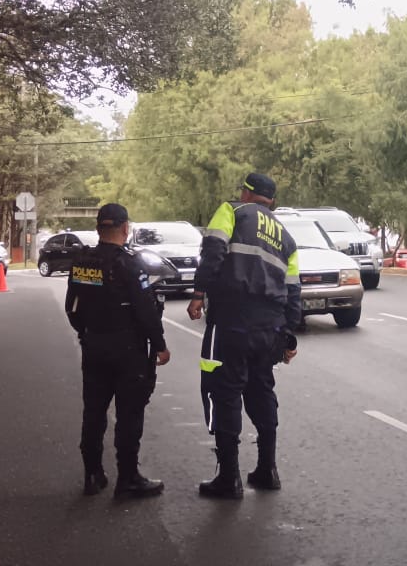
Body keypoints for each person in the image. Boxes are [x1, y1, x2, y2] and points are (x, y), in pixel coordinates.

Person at [188, 172, 301, 499]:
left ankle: (229, 478)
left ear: (246, 193)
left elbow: (213, 252)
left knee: (223, 391)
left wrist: (198, 293)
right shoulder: (286, 237)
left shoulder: (232, 211)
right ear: (272, 202)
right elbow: (294, 291)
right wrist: (288, 336)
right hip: (270, 328)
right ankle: (267, 469)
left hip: (231, 319)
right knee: (261, 390)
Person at [66, 203, 171, 498]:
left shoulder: (83, 262)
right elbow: (146, 311)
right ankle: (128, 478)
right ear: (126, 228)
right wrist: (160, 345)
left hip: (94, 345)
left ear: (99, 228)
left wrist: (86, 333)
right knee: (129, 414)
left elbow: (71, 307)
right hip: (127, 350)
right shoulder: (130, 264)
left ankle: (92, 474)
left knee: (94, 412)